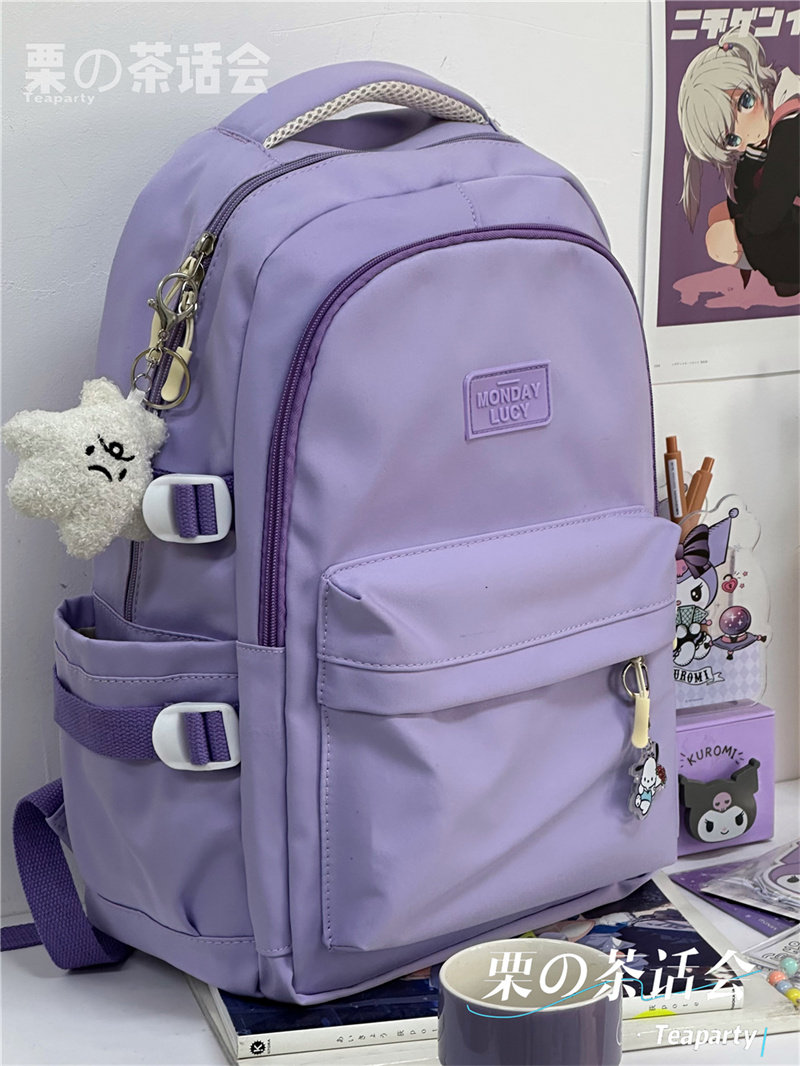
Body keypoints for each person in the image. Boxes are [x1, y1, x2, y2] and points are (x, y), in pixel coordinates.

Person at [678, 28, 799, 297]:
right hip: (781, 214)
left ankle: (787, 276)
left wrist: (740, 231)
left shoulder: (792, 123)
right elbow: (743, 192)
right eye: (732, 139)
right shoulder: (767, 126)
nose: (746, 132)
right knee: (719, 215)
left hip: (784, 225)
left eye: (745, 101)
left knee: (720, 239)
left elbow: (769, 210)